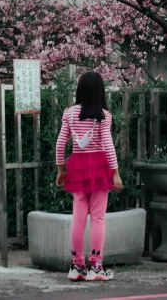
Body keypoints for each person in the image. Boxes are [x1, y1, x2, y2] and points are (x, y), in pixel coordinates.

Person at [55, 71, 122, 282]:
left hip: (77, 167)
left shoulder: (69, 114)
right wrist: (116, 173)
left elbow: (60, 143)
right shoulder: (103, 115)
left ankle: (77, 267)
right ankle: (96, 267)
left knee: (78, 219)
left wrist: (60, 170)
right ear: (100, 91)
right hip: (100, 167)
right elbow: (108, 145)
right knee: (99, 218)